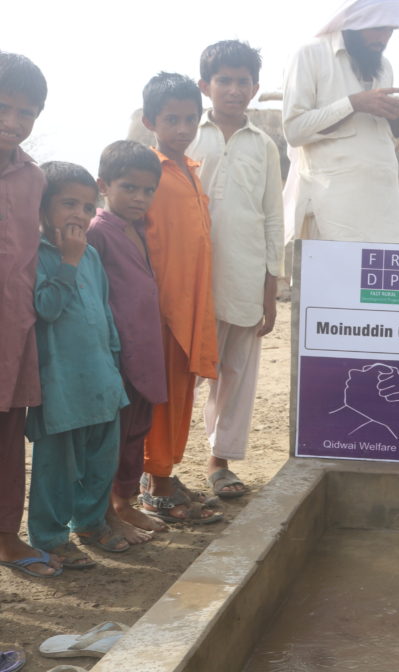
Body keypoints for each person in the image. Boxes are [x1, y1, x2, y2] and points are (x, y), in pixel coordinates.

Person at [188, 40, 284, 498]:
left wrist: (271, 287)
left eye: (242, 81)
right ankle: (156, 466)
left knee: (237, 374)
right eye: (223, 80)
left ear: (255, 87)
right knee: (179, 374)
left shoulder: (264, 145)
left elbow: (272, 217)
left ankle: (218, 461)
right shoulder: (187, 133)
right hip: (189, 280)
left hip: (246, 277)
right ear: (205, 86)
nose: (233, 89)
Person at [28, 162, 130, 569]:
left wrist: (114, 363)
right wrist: (66, 261)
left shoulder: (89, 254)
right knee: (56, 466)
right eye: (68, 203)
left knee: (101, 458)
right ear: (42, 207)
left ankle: (89, 523)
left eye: (88, 207)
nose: (80, 214)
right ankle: (50, 538)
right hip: (61, 385)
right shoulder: (34, 256)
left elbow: (104, 313)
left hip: (100, 379)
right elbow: (46, 309)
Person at [138, 72, 222, 525]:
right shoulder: (146, 172)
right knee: (161, 399)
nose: (183, 129)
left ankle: (164, 472)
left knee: (182, 393)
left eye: (191, 119)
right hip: (161, 307)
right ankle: (157, 485)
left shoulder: (190, 169)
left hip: (192, 305)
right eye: (172, 119)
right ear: (151, 120)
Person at [0, 52, 62, 578]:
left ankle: (6, 538)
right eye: (3, 108)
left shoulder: (33, 179)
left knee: (7, 438)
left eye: (26, 113)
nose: (13, 123)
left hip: (14, 331)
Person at [87, 140, 168, 543]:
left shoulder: (138, 229)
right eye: (129, 188)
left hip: (144, 352)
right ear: (104, 185)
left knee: (135, 432)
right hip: (116, 354)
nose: (140, 198)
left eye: (148, 190)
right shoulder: (98, 231)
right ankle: (100, 515)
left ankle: (124, 503)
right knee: (109, 439)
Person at [282, 0, 399, 245]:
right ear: (355, 21)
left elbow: (386, 136)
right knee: (337, 279)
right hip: (334, 209)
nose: (383, 38)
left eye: (390, 31)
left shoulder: (383, 67)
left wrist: (395, 114)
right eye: (377, 28)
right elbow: (295, 130)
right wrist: (353, 104)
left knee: (386, 281)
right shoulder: (309, 54)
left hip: (385, 205)